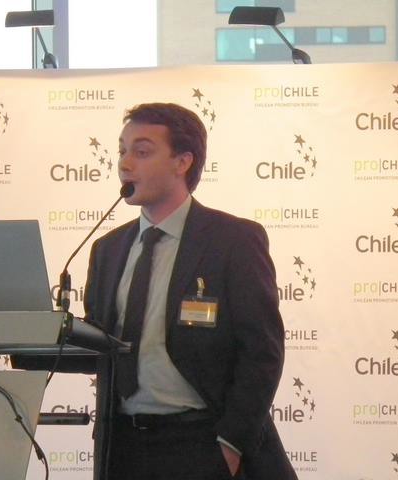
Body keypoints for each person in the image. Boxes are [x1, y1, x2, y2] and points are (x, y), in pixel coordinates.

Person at [84, 103, 297, 480]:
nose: (125, 163)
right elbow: (98, 345)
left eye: (142, 151)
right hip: (123, 447)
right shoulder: (108, 249)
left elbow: (262, 351)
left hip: (201, 442)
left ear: (182, 162)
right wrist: (35, 336)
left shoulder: (233, 240)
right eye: (122, 150)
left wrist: (230, 445)